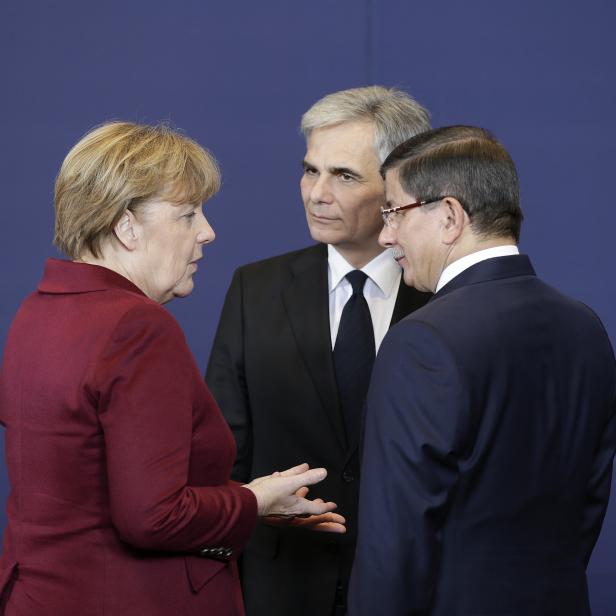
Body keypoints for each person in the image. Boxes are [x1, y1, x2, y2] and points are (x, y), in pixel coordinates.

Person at [0, 121, 344, 616]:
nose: (207, 232)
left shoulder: (38, 308)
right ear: (126, 226)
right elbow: (152, 516)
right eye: (187, 215)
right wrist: (253, 501)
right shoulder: (135, 325)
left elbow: (93, 490)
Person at [348, 125, 616, 615]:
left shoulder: (421, 339)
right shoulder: (587, 327)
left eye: (393, 211)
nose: (385, 236)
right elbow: (588, 506)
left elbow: (394, 543)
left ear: (450, 216)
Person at [206, 85, 431, 615]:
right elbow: (223, 451)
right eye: (311, 170)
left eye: (344, 176)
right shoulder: (253, 290)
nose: (316, 193)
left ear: (399, 185)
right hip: (279, 587)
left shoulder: (447, 298)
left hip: (413, 586)